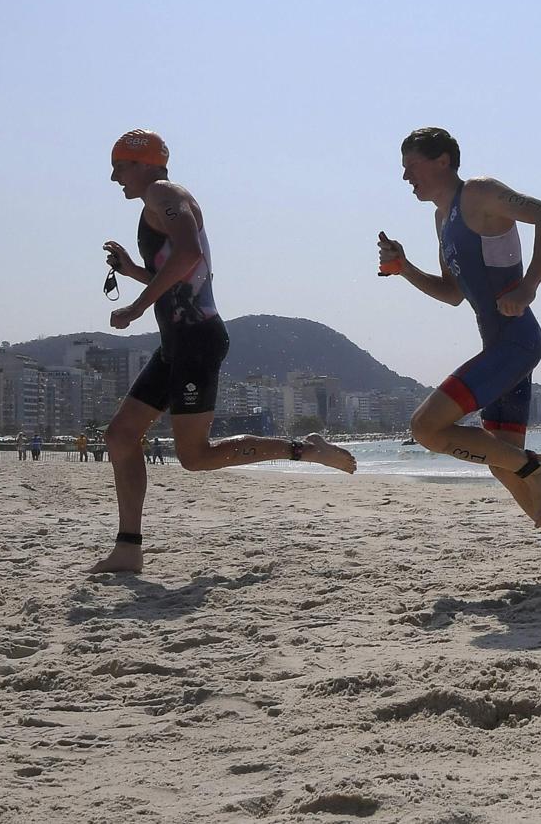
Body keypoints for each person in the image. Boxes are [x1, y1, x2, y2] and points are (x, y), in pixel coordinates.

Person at [93, 129, 357, 574]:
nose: (114, 176)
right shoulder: (156, 202)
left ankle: (305, 449)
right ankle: (128, 547)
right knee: (120, 435)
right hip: (176, 343)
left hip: (196, 340)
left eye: (118, 165)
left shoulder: (164, 192)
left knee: (195, 457)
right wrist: (134, 271)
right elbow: (178, 275)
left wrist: (137, 307)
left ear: (140, 163)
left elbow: (191, 256)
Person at [380, 127, 541, 584]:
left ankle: (538, 467)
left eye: (411, 164)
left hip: (516, 344)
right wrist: (404, 269)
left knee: (424, 427)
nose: (404, 176)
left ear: (443, 161)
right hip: (499, 349)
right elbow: (452, 294)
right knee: (504, 466)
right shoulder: (443, 219)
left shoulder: (480, 193)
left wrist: (529, 285)